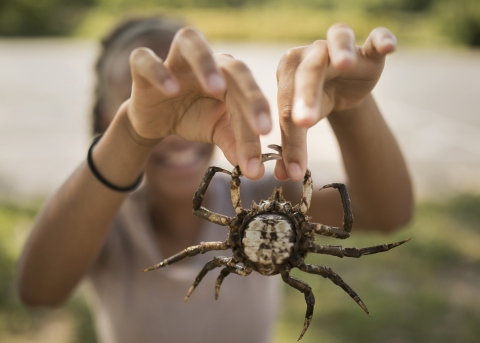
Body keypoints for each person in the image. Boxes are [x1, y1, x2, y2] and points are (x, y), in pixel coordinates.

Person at [16, 17, 413, 343]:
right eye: (141, 103)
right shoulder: (105, 221)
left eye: (195, 96)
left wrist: (352, 109)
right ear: (109, 121)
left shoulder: (263, 190)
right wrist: (133, 134)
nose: (171, 128)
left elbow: (385, 213)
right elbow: (37, 291)